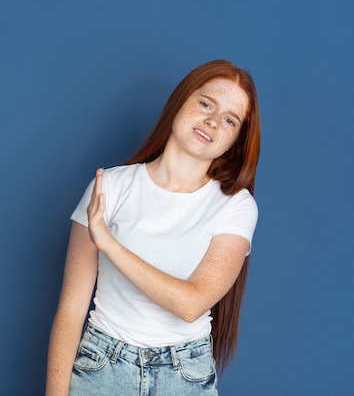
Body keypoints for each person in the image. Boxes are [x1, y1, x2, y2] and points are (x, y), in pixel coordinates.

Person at [46, 59, 261, 396]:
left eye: (229, 120)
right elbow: (71, 309)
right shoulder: (110, 186)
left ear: (235, 140)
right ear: (181, 101)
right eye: (205, 103)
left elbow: (191, 304)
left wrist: (110, 244)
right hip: (102, 366)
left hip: (185, 375)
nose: (212, 122)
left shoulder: (236, 206)